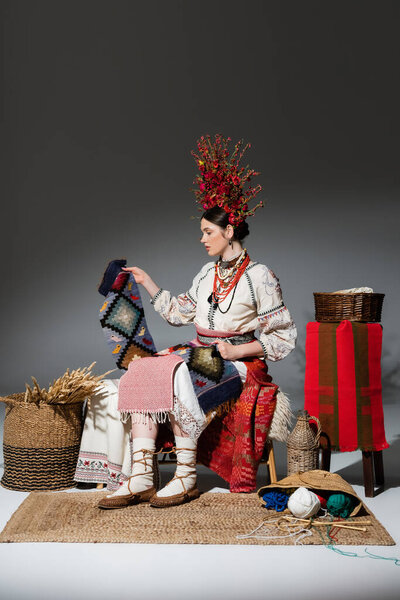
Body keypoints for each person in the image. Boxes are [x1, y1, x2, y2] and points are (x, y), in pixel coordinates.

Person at [97, 135, 297, 509]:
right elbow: (179, 312)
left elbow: (283, 338)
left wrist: (237, 348)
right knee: (143, 370)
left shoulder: (260, 276)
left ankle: (185, 475)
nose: (202, 238)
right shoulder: (208, 273)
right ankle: (140, 474)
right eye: (203, 231)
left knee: (179, 374)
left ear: (229, 232)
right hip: (200, 350)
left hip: (237, 361)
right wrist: (147, 281)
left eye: (208, 231)